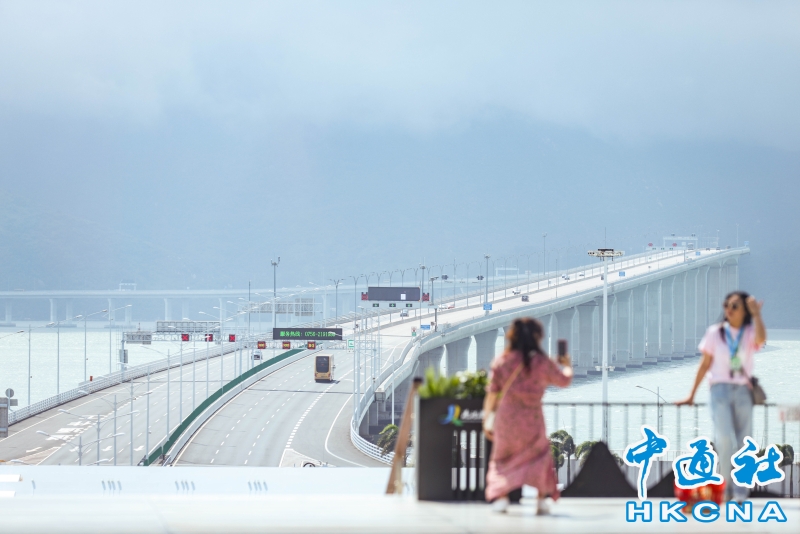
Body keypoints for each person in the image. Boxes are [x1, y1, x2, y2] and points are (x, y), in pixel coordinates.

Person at [677, 291, 766, 501]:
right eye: (727, 305)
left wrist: (757, 315)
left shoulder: (749, 332)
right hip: (719, 390)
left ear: (744, 310)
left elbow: (761, 339)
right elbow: (704, 364)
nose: (729, 309)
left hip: (743, 390)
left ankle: (741, 492)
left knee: (744, 441)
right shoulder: (715, 333)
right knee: (724, 439)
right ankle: (725, 490)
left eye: (735, 306)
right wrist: (692, 394)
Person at [483, 318, 573, 514]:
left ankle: (501, 497)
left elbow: (492, 393)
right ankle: (541, 500)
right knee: (539, 457)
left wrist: (487, 419)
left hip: (506, 420)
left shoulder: (502, 361)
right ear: (537, 337)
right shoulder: (541, 362)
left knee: (502, 459)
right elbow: (564, 381)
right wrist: (567, 365)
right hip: (531, 420)